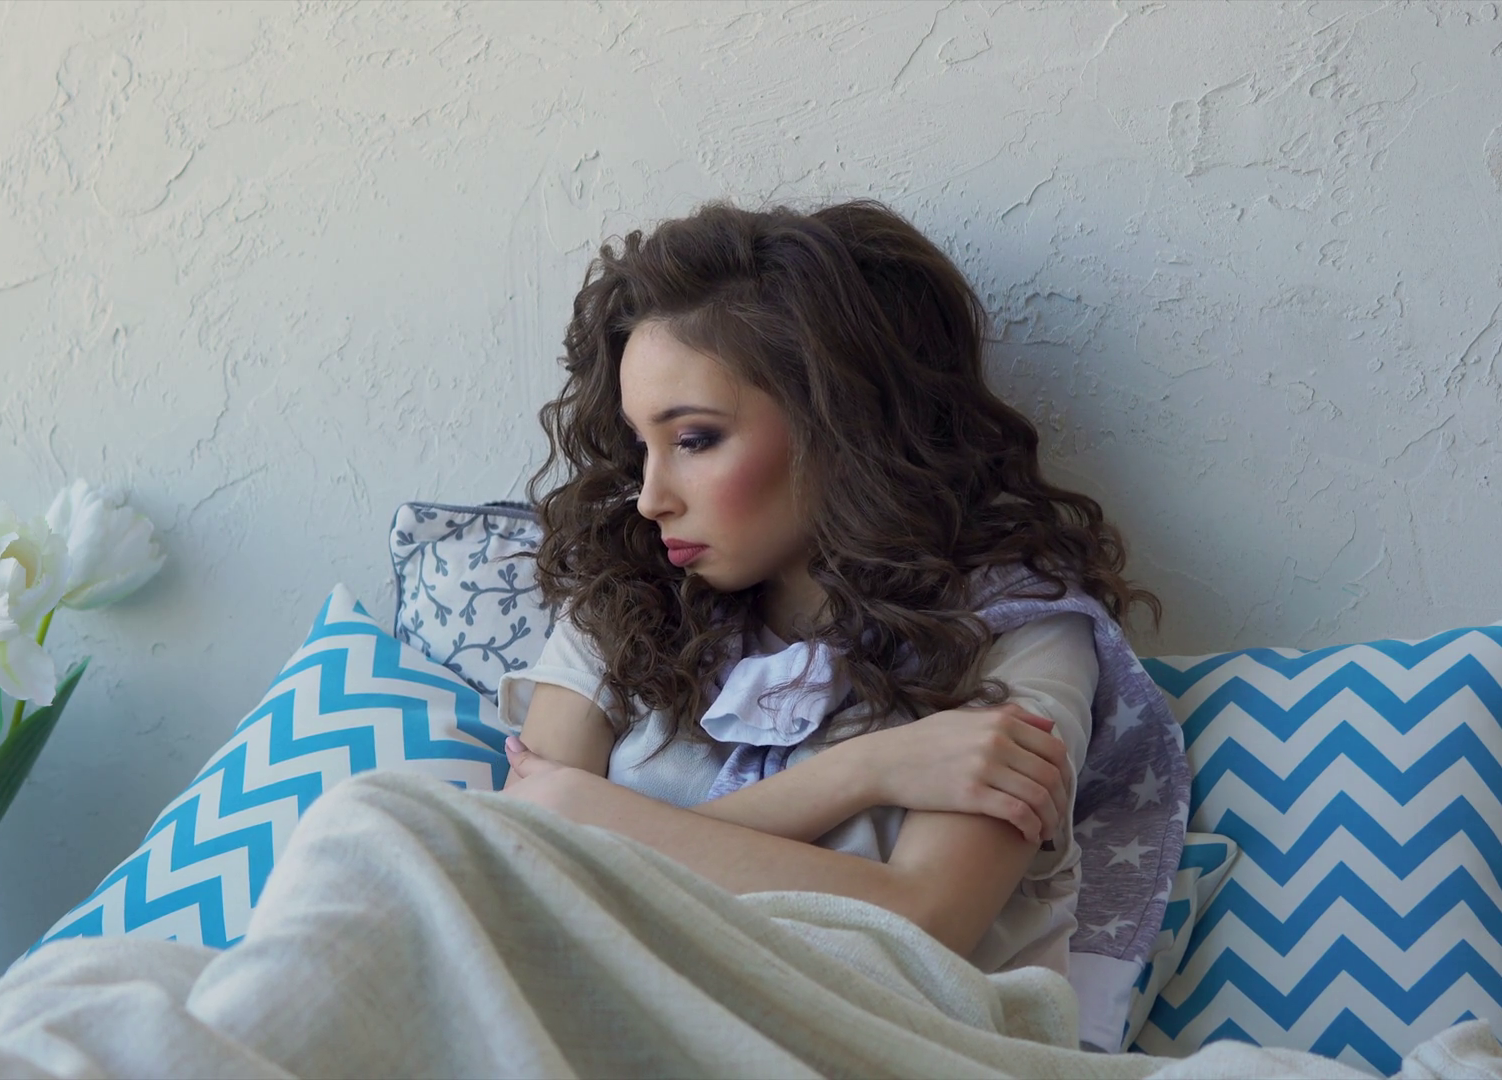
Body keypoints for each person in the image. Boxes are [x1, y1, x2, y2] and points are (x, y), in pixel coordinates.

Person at [493, 199, 1160, 978]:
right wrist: (860, 773)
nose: (650, 498)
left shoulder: (1019, 628)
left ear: (842, 422)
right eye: (642, 444)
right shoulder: (620, 600)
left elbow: (925, 922)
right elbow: (517, 873)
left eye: (695, 440)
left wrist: (583, 816)